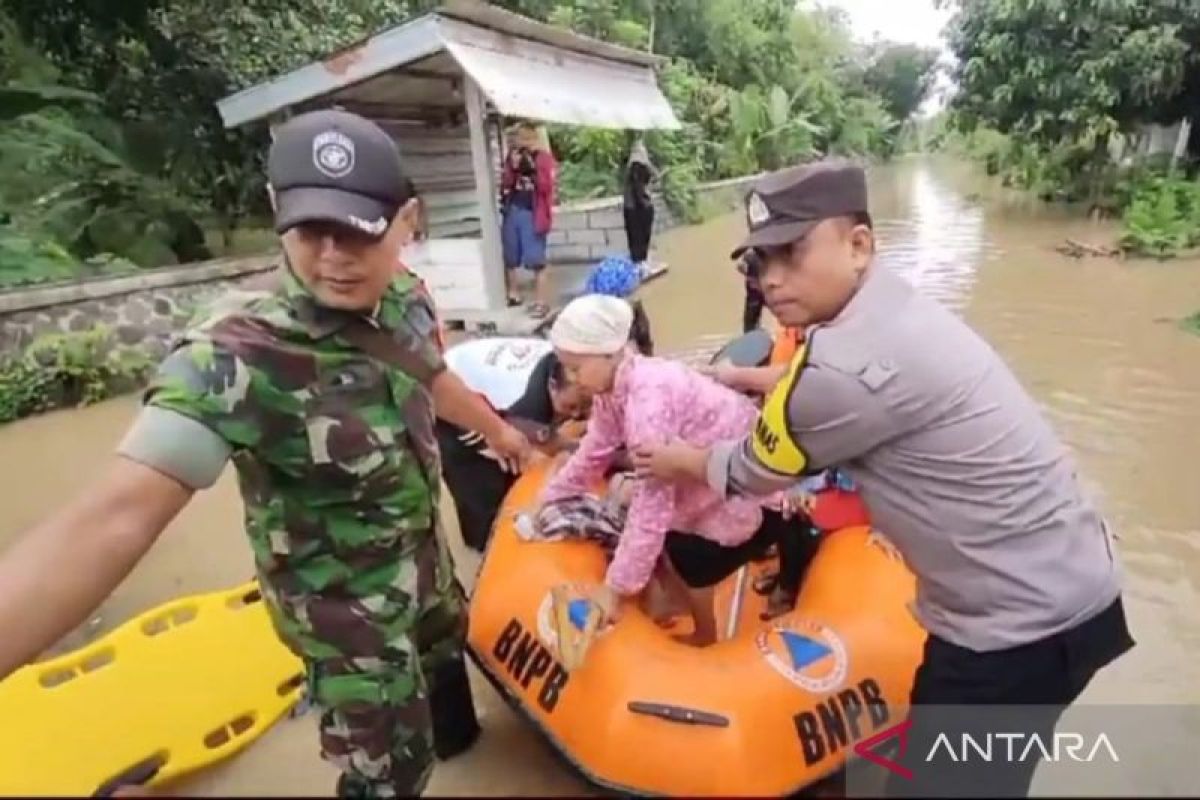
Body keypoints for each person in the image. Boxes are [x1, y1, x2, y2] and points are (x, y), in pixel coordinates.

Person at [0, 109, 537, 799]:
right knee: (392, 774)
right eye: (312, 231)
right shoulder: (233, 355)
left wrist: (497, 432)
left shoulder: (406, 299)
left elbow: (431, 374)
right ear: (277, 210)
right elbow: (112, 518)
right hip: (343, 617)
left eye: (359, 233)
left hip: (422, 569)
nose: (334, 257)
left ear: (408, 222)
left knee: (444, 664)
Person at [632, 159, 1135, 797]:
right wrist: (749, 379)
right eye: (761, 261)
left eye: (792, 252)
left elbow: (757, 470)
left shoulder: (844, 369)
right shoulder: (889, 308)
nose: (773, 280)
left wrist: (680, 460)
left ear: (860, 243)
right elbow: (824, 393)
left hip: (1014, 629)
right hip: (1069, 584)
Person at [536, 295, 819, 646]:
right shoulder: (615, 387)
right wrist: (550, 497)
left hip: (749, 492)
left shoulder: (646, 403)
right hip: (707, 472)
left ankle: (704, 631)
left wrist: (615, 589)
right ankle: (671, 600)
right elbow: (594, 449)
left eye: (576, 368)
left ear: (610, 353)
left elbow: (651, 509)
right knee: (644, 515)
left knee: (682, 550)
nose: (572, 379)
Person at [438, 337, 587, 553]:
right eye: (570, 406)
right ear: (552, 387)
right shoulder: (521, 399)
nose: (575, 414)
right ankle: (483, 543)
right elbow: (537, 442)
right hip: (451, 390)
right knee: (483, 471)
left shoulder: (567, 365)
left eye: (583, 407)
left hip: (479, 369)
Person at [500, 121, 557, 319]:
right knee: (510, 255)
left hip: (533, 213)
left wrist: (532, 169)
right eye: (517, 139)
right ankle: (513, 294)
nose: (520, 143)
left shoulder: (544, 159)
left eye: (524, 138)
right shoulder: (513, 157)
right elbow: (506, 184)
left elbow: (546, 187)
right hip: (514, 209)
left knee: (536, 260)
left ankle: (541, 302)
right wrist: (513, 168)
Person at [582, 254, 654, 355]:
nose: (639, 293)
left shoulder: (636, 311)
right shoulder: (594, 325)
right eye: (633, 291)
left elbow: (645, 343)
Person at [622, 138, 658, 276]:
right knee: (640, 237)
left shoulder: (635, 167)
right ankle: (640, 265)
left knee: (635, 238)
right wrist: (646, 203)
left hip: (631, 208)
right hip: (639, 209)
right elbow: (639, 190)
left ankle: (638, 264)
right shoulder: (638, 167)